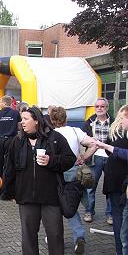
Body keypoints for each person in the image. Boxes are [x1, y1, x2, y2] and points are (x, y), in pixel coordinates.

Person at [2, 106, 76, 255]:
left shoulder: (55, 138)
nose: (21, 122)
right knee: (28, 237)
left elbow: (70, 159)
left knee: (55, 235)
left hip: (51, 197)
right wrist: (10, 193)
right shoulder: (17, 141)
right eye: (21, 119)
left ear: (36, 121)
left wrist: (51, 160)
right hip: (26, 197)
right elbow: (9, 169)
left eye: (25, 119)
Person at [50, 106, 97, 254]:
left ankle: (56, 237)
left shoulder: (51, 134)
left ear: (51, 120)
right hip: (76, 173)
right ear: (66, 118)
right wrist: (83, 157)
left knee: (60, 207)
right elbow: (94, 144)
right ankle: (79, 235)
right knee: (72, 206)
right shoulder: (75, 131)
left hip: (58, 174)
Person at [95, 104, 128, 255]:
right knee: (120, 216)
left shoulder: (114, 133)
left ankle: (119, 250)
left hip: (115, 179)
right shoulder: (118, 133)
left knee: (118, 216)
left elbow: (110, 151)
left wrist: (106, 147)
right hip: (119, 180)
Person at [82, 97, 113, 224]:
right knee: (90, 186)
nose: (99, 108)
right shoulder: (88, 122)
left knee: (111, 187)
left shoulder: (115, 121)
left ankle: (110, 214)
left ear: (107, 108)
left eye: (102, 106)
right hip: (94, 157)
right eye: (97, 106)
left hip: (111, 158)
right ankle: (89, 211)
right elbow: (83, 140)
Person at [0, 95, 21, 178]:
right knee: (11, 161)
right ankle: (10, 182)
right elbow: (19, 125)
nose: (0, 104)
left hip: (0, 140)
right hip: (12, 140)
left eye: (1, 102)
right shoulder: (15, 113)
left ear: (4, 103)